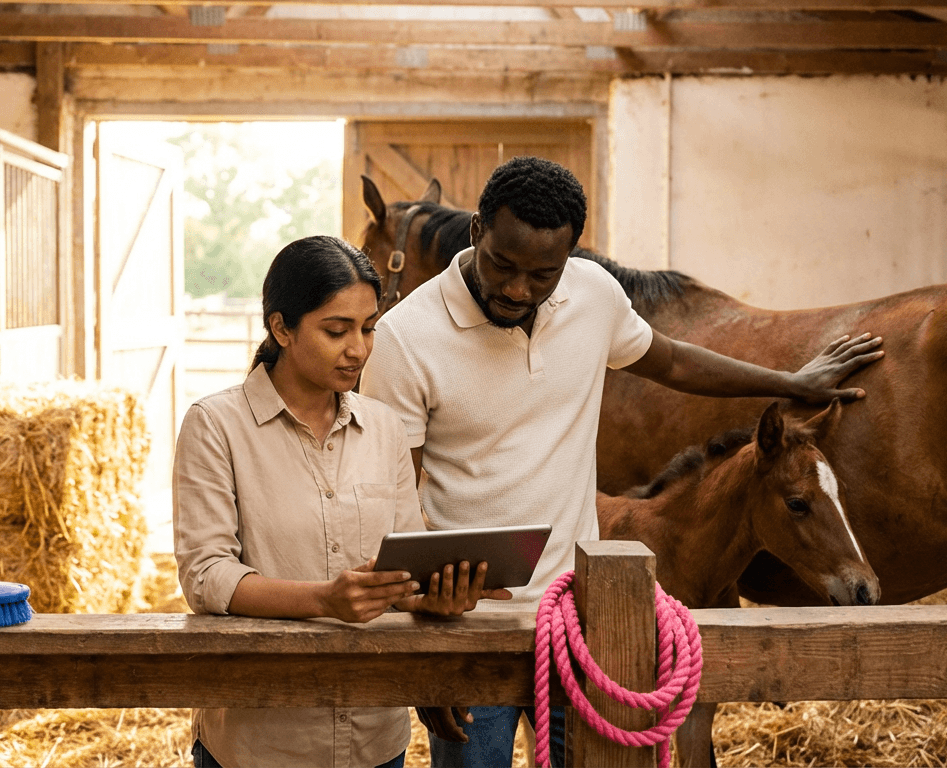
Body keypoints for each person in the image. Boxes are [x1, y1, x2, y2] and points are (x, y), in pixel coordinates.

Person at [359, 156, 885, 768]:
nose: (517, 290)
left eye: (543, 274)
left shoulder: (591, 293)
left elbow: (673, 361)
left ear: (571, 258)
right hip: (470, 623)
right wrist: (425, 645)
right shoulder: (405, 337)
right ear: (476, 230)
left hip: (582, 614)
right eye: (503, 264)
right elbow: (390, 495)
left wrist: (793, 381)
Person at [174, 235, 513, 768]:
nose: (358, 348)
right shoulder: (215, 425)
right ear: (281, 328)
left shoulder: (384, 429)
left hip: (375, 740)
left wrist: (432, 598)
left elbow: (401, 569)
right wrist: (324, 600)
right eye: (337, 330)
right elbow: (206, 575)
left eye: (368, 327)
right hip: (261, 743)